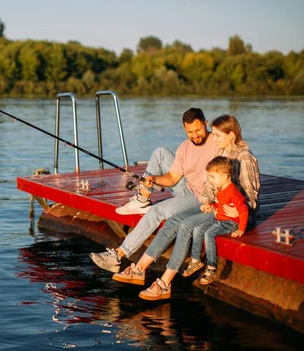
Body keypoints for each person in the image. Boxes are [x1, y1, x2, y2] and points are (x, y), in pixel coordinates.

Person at [114, 115, 259, 301]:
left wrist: (238, 211)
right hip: (215, 207)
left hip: (235, 215)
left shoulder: (244, 158)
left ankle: (165, 283)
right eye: (213, 135)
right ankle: (139, 269)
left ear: (231, 135)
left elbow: (252, 197)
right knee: (174, 220)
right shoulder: (221, 154)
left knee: (186, 225)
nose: (212, 139)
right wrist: (206, 200)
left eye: (217, 136)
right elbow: (208, 185)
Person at [89, 108, 217, 273]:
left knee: (157, 211)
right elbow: (172, 178)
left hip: (201, 198)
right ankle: (143, 198)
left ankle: (117, 256)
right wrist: (154, 179)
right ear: (185, 129)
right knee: (160, 152)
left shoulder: (216, 142)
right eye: (190, 132)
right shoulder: (185, 147)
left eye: (198, 130)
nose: (195, 135)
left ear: (206, 124)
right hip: (188, 188)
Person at [182, 156, 249, 285]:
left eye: (213, 177)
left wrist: (241, 229)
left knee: (209, 233)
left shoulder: (233, 192)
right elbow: (222, 205)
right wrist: (212, 206)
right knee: (198, 229)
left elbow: (244, 210)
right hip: (219, 219)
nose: (211, 180)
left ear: (225, 176)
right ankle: (196, 260)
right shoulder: (221, 190)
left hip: (231, 223)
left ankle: (212, 267)